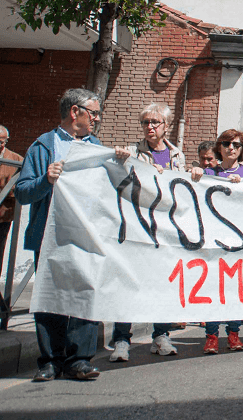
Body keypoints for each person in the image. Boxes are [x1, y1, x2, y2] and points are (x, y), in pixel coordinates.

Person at [16, 88, 124, 381]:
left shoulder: (96, 147)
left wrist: (120, 162)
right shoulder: (43, 146)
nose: (97, 119)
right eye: (94, 113)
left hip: (85, 235)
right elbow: (23, 192)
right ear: (75, 112)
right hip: (49, 235)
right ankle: (50, 361)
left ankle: (79, 360)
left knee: (84, 294)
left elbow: (109, 189)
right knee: (50, 296)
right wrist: (45, 180)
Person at [109, 104, 186, 361]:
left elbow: (181, 189)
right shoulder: (132, 151)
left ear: (166, 125)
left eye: (155, 122)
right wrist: (118, 158)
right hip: (135, 226)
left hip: (163, 229)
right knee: (129, 282)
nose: (150, 127)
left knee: (161, 283)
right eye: (145, 123)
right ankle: (121, 339)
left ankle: (161, 334)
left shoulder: (176, 155)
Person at [191, 129, 243, 353]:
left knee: (234, 289)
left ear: (242, 150)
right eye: (227, 143)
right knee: (213, 289)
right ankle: (211, 336)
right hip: (214, 240)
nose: (231, 148)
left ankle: (234, 333)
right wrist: (197, 174)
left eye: (236, 145)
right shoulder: (209, 172)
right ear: (219, 147)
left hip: (240, 242)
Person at [0, 125, 24, 317]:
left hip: (3, 216)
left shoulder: (15, 160)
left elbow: (21, 186)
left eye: (3, 141)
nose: (0, 144)